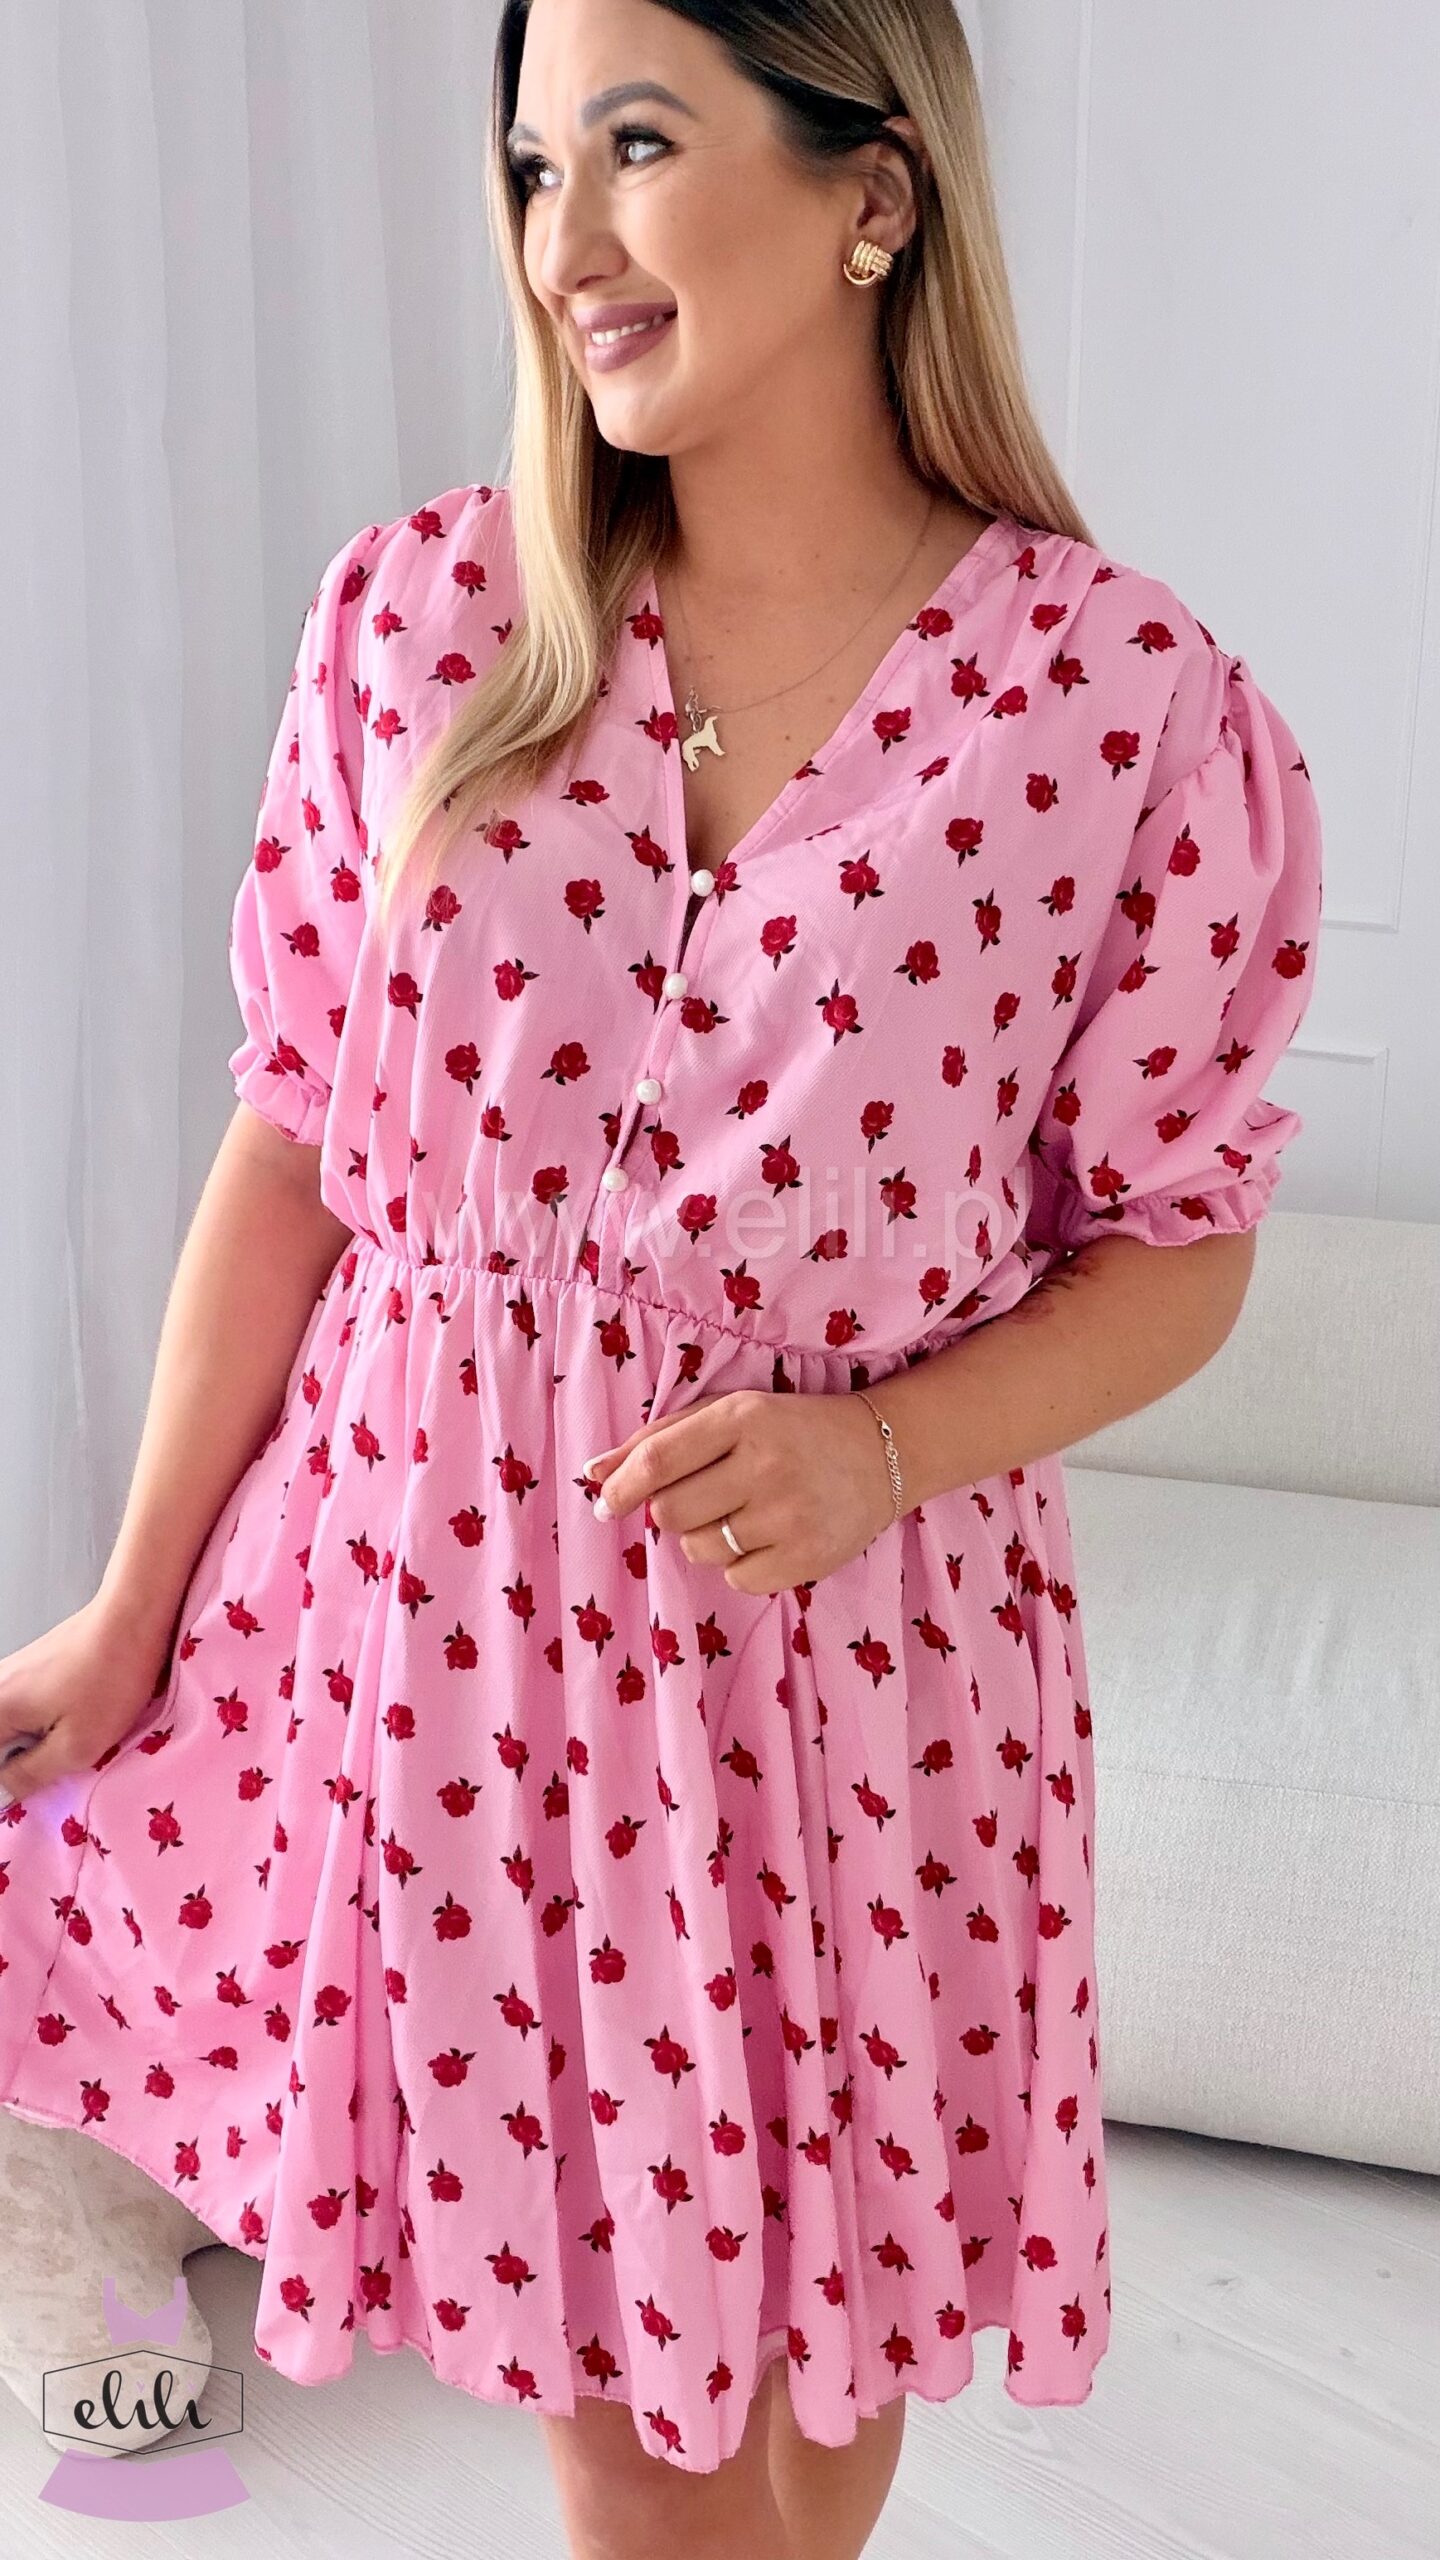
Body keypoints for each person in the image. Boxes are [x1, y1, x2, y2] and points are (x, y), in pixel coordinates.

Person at [0, 0, 1323, 2551]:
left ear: (873, 194)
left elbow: (1182, 1249)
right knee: (644, 2445)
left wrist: (883, 1444)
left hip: (868, 1684)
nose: (563, 240)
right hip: (455, 1661)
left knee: (823, 2393)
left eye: (633, 143)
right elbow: (296, 1145)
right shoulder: (418, 619)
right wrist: (130, 1602)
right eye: (531, 165)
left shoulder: (1119, 706)